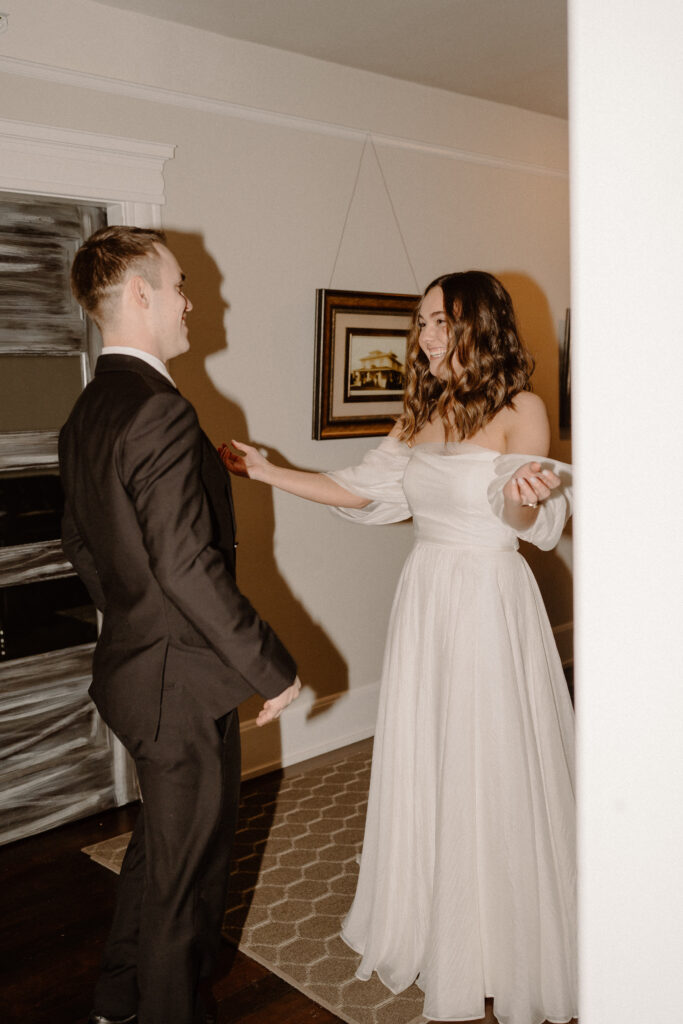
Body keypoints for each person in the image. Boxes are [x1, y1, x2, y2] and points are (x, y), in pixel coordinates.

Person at [219, 271, 577, 1024]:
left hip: (486, 596)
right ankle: (428, 914)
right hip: (426, 594)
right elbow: (359, 490)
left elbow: (516, 517)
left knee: (486, 757)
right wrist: (264, 470)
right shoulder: (424, 408)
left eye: (440, 322)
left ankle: (498, 939)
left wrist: (530, 493)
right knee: (429, 752)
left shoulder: (523, 410)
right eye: (421, 323)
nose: (426, 336)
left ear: (479, 326)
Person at [59, 225, 301, 1024]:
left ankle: (117, 998)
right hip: (177, 685)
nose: (193, 300)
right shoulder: (159, 408)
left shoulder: (90, 407)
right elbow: (189, 566)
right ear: (138, 294)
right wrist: (272, 667)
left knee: (160, 853)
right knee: (185, 889)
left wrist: (135, 614)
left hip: (134, 672)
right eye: (180, 284)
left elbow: (82, 544)